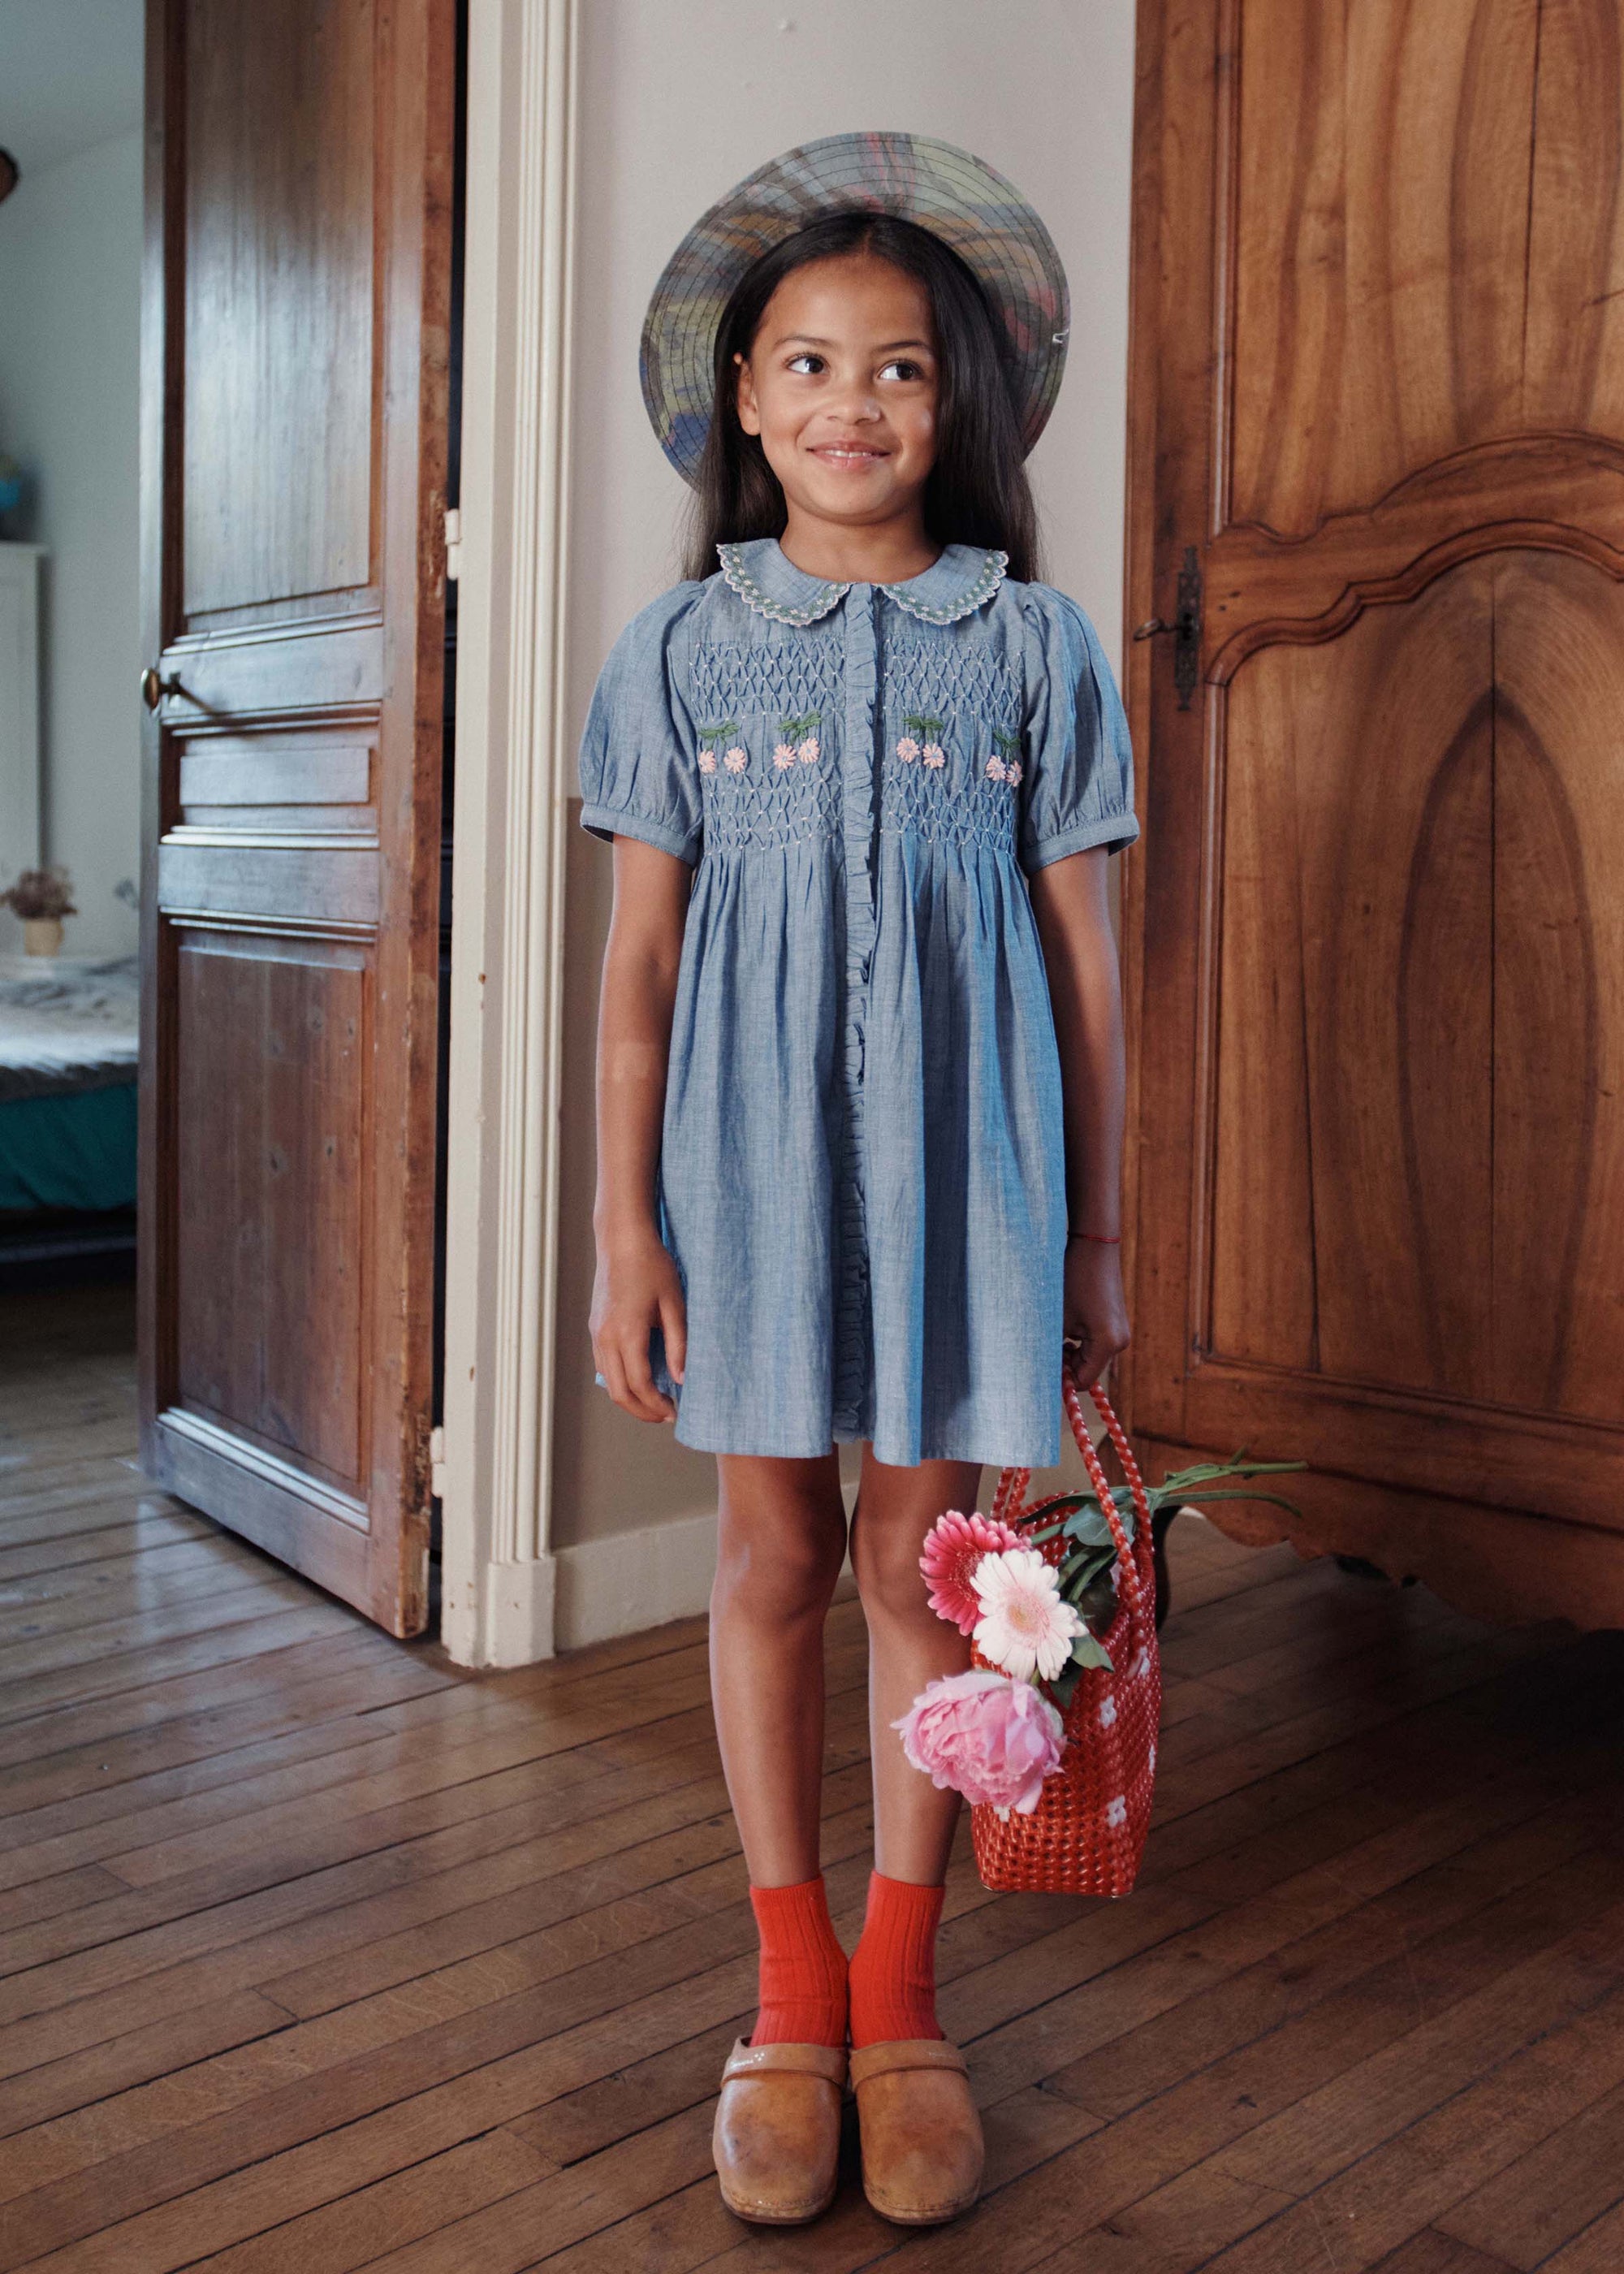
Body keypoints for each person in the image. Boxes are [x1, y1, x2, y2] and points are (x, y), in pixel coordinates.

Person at [580, 132, 1138, 2229]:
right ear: (741, 398)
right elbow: (639, 968)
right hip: (743, 1166)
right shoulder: (680, 654)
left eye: (898, 370)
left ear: (960, 403)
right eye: (805, 363)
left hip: (970, 1176)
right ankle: (785, 1989)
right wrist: (626, 1219)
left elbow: (1090, 964)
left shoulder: (1037, 648)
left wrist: (1094, 1224)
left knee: (929, 1568)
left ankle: (905, 1997)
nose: (850, 405)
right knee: (768, 1560)